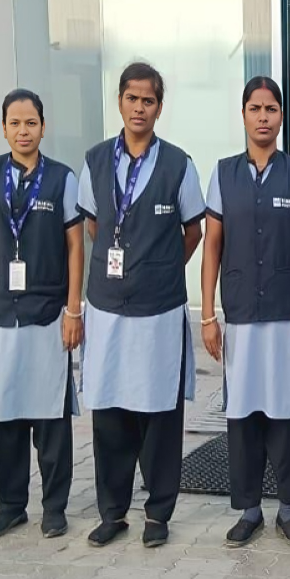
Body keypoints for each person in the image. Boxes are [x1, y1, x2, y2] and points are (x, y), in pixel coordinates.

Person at [76, 62, 205, 549]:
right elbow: (93, 224)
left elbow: (193, 231)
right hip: (107, 307)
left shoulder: (178, 164)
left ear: (159, 107)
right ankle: (112, 513)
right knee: (110, 410)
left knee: (159, 412)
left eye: (148, 100)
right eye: (132, 98)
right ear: (120, 102)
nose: (139, 108)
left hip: (159, 310)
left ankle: (157, 513)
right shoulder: (95, 161)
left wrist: (161, 266)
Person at [200, 76, 290, 548]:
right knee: (244, 415)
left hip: (288, 318)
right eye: (255, 108)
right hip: (241, 319)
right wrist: (208, 315)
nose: (263, 117)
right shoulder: (223, 175)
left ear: (281, 117)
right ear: (243, 115)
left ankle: (288, 509)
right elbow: (212, 246)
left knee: (287, 413)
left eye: (271, 109)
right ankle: (249, 509)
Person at [0, 89, 83, 540]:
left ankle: (54, 507)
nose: (23, 131)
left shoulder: (62, 179)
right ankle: (9, 506)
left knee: (50, 417)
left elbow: (74, 246)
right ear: (4, 128)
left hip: (46, 314)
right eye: (15, 123)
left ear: (43, 127)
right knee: (4, 413)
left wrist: (73, 309)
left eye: (31, 123)